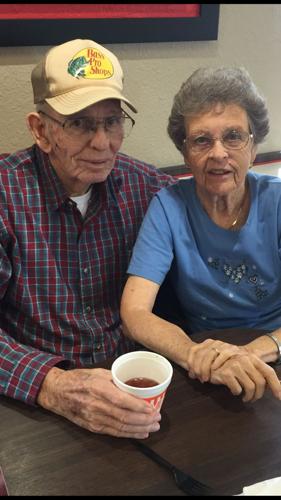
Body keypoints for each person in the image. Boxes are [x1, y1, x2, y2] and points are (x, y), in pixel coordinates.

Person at [0, 38, 174, 438]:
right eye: (78, 122)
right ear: (40, 129)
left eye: (112, 121)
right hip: (35, 406)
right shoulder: (6, 196)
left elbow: (221, 211)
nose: (101, 142)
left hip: (137, 387)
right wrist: (53, 385)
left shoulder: (146, 188)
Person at [121, 66, 281, 404]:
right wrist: (193, 354)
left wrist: (251, 354)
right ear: (185, 153)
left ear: (254, 147)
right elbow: (135, 311)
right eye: (202, 140)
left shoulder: (278, 202)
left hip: (273, 350)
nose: (219, 153)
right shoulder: (168, 207)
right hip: (206, 364)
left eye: (234, 136)